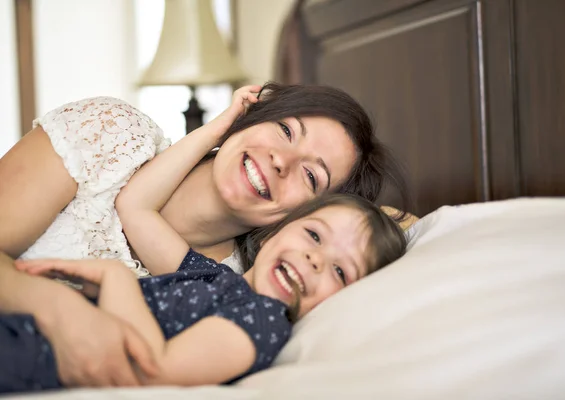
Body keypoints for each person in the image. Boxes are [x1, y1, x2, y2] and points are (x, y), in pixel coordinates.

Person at [0, 83, 411, 386]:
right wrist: (218, 130)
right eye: (285, 131)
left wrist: (376, 221)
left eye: (310, 175)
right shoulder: (111, 136)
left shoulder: (242, 295)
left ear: (309, 210)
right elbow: (133, 207)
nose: (280, 161)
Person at [0, 193, 408, 393]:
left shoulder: (262, 322)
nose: (315, 259)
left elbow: (153, 371)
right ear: (272, 236)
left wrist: (116, 279)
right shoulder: (215, 277)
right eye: (314, 235)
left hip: (39, 357)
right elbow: (137, 207)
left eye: (340, 269)